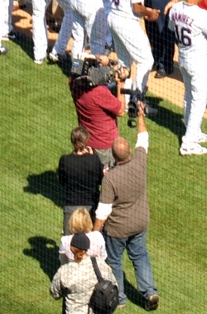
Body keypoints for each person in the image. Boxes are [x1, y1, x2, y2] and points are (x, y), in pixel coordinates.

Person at [94, 102, 160, 311]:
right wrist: (141, 116)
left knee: (115, 261)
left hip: (117, 229)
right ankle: (150, 292)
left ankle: (120, 298)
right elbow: (143, 138)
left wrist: (95, 235)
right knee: (140, 256)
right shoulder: (140, 161)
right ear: (129, 151)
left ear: (114, 156)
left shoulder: (110, 178)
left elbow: (103, 211)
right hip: (141, 222)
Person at [167, 0, 207, 155]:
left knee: (189, 95)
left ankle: (193, 130)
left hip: (183, 56)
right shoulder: (202, 15)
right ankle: (188, 143)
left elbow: (171, 28)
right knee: (199, 100)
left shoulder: (175, 8)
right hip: (198, 60)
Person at [105, 0, 159, 93]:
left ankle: (124, 98)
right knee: (146, 61)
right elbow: (136, 7)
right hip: (126, 22)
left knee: (124, 61)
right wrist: (150, 13)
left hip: (113, 17)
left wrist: (145, 10)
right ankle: (137, 98)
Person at [70, 64, 127, 167]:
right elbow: (121, 111)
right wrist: (120, 82)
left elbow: (72, 77)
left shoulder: (74, 85)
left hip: (87, 142)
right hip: (105, 145)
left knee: (91, 175)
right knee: (109, 178)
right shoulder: (99, 92)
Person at [50, 232, 115, 314]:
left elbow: (54, 293)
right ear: (87, 249)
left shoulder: (65, 271)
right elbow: (113, 284)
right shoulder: (100, 264)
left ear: (71, 249)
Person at [58, 128, 104, 235]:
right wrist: (93, 156)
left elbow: (62, 181)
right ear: (86, 140)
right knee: (91, 245)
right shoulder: (94, 160)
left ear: (72, 141)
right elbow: (101, 180)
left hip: (71, 206)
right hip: (90, 207)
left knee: (69, 245)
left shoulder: (65, 160)